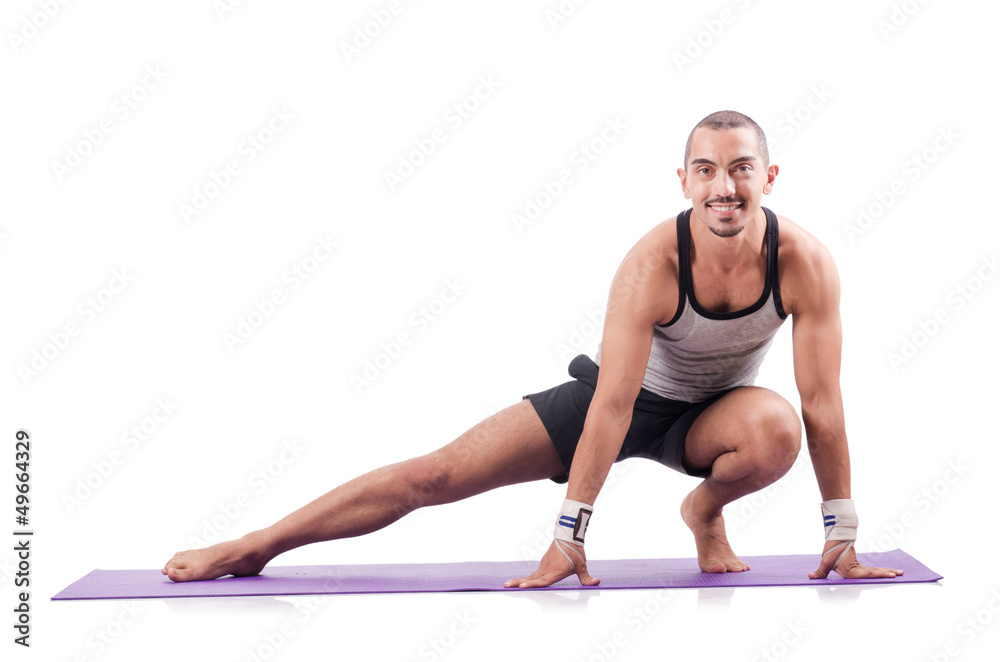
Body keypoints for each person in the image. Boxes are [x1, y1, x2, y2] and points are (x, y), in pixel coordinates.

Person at [163, 110, 903, 587]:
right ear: (684, 181)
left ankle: (703, 512)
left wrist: (841, 531)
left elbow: (821, 403)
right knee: (435, 475)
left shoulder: (804, 262)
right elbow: (613, 404)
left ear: (768, 178)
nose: (725, 186)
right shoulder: (654, 264)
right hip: (616, 399)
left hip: (715, 419)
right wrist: (569, 535)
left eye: (741, 167)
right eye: (706, 169)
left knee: (777, 428)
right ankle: (256, 546)